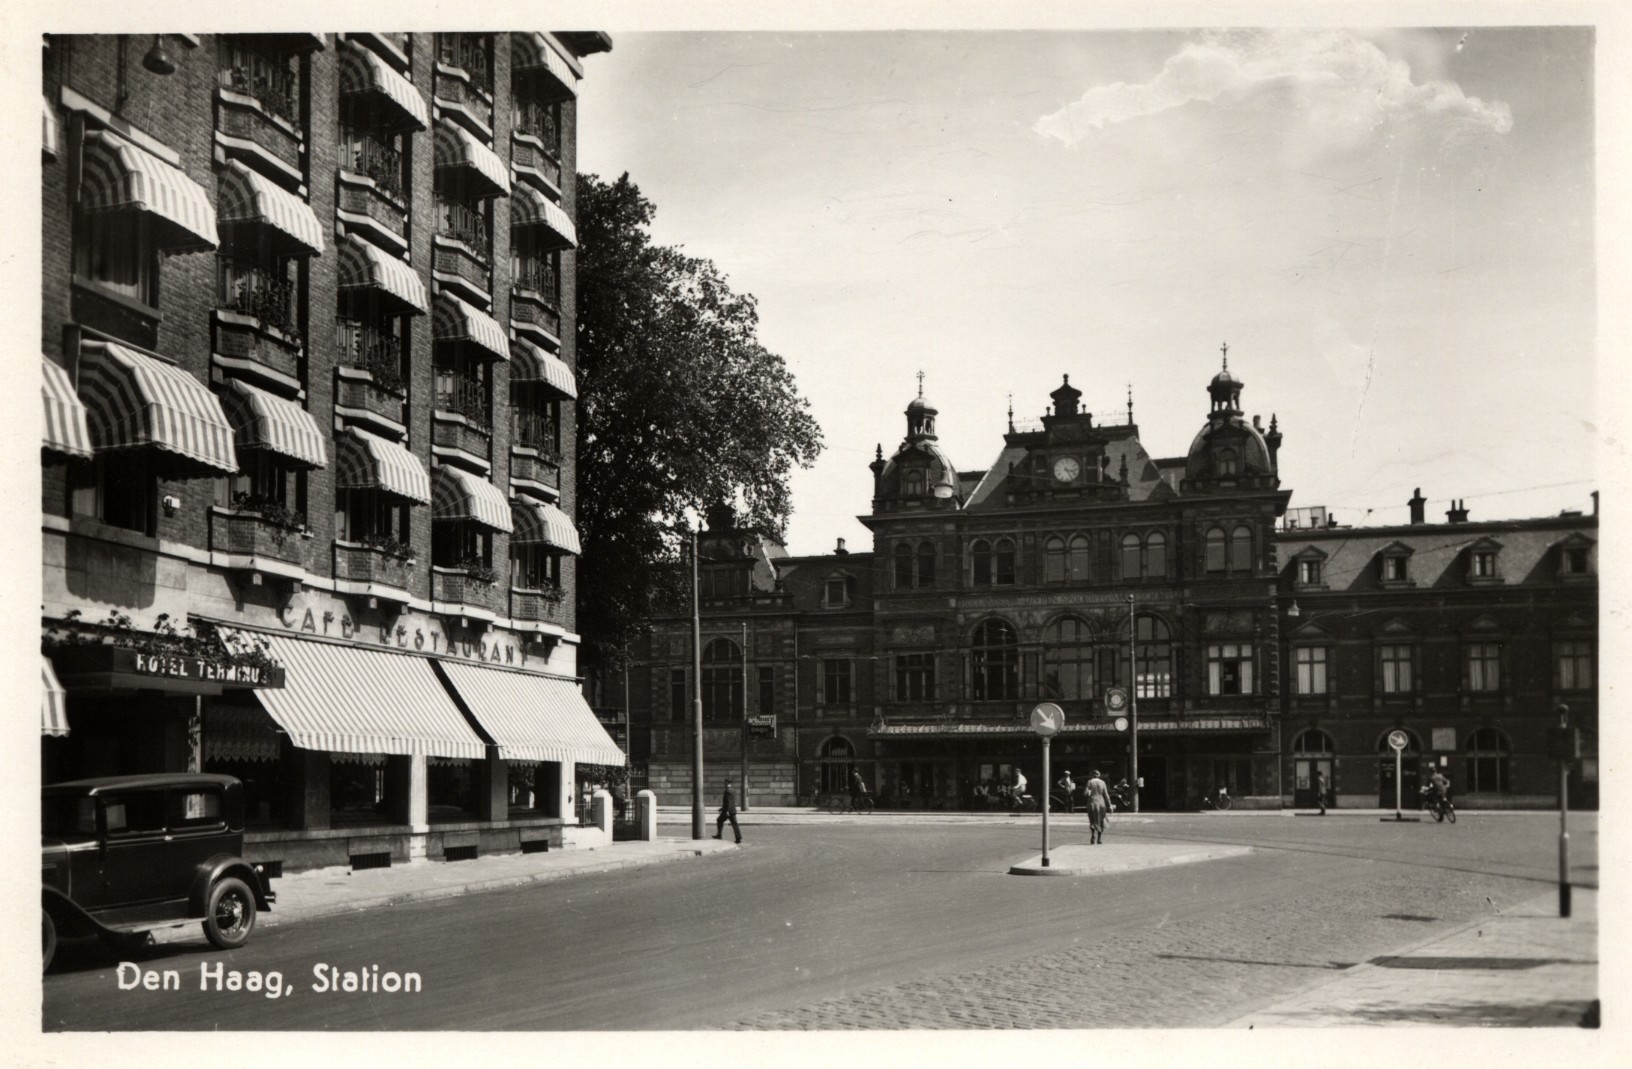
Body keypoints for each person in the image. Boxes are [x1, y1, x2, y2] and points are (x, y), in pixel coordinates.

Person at [1084, 770, 1111, 845]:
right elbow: (1106, 795)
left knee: (1092, 820)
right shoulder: (1102, 782)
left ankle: (1093, 835)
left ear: (1092, 775)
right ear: (1099, 775)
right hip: (1101, 803)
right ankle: (1099, 839)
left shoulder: (1089, 782)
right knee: (1101, 820)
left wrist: (1089, 792)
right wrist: (1109, 805)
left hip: (1092, 802)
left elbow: (1085, 793)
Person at [714, 778, 742, 843]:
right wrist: (722, 808)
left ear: (727, 782)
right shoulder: (732, 790)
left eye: (724, 782)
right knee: (734, 824)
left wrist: (727, 811)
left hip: (728, 811)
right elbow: (730, 801)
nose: (723, 783)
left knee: (719, 820)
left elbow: (729, 802)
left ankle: (719, 835)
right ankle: (738, 838)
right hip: (731, 810)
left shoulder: (727, 791)